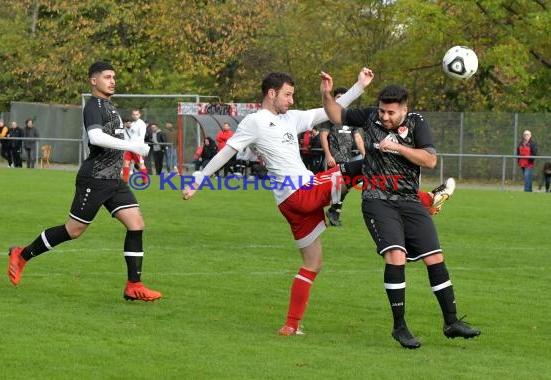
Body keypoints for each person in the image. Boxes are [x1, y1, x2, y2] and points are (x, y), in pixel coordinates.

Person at [183, 68, 377, 336]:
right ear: (271, 93)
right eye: (287, 95)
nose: (291, 100)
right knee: (367, 165)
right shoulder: (255, 121)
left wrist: (358, 87)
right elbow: (227, 152)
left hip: (290, 201)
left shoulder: (291, 119)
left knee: (313, 263)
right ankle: (424, 202)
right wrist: (199, 179)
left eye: (293, 95)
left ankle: (291, 326)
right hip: (301, 192)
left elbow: (330, 111)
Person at [321, 73, 480, 348]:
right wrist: (326, 93)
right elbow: (336, 115)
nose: (384, 116)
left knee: (435, 257)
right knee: (396, 255)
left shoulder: (417, 123)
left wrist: (396, 146)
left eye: (391, 113)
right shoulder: (370, 116)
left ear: (404, 110)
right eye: (382, 110)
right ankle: (400, 327)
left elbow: (429, 160)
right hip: (377, 199)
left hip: (408, 200)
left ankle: (451, 322)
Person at [7, 61, 162, 302]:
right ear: (94, 81)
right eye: (107, 77)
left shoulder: (110, 107)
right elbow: (96, 137)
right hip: (94, 179)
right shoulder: (93, 106)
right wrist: (133, 146)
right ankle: (22, 254)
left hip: (114, 180)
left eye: (114, 77)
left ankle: (134, 285)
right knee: (74, 230)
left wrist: (134, 156)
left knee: (136, 224)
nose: (112, 81)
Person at [319, 87, 366, 226]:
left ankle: (333, 211)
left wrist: (365, 155)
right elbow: (323, 135)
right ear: (334, 99)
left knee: (344, 187)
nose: (341, 99)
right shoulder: (329, 116)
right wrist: (328, 155)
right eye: (338, 96)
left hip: (347, 160)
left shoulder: (350, 117)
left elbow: (357, 138)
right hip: (334, 159)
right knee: (336, 187)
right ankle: (330, 212)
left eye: (344, 96)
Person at [122, 114, 148, 183]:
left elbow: (141, 136)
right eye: (127, 123)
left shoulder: (138, 126)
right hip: (128, 148)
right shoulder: (124, 130)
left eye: (130, 122)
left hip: (136, 148)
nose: (129, 124)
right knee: (126, 163)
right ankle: (125, 180)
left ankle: (145, 180)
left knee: (140, 164)